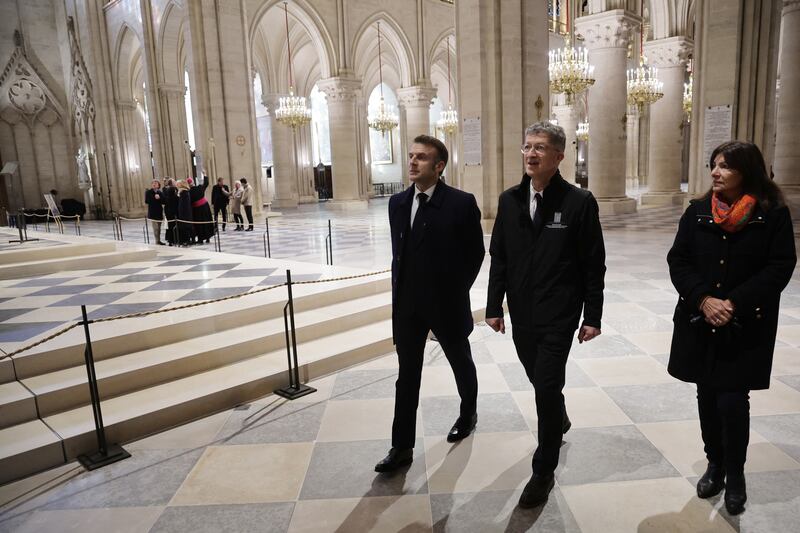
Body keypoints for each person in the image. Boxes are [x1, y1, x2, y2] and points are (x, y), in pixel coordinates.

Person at [667, 140, 796, 516]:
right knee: (706, 396)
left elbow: (779, 267)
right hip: (700, 320)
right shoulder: (696, 213)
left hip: (743, 325)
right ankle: (715, 464)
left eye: (724, 166)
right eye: (713, 165)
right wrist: (703, 299)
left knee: (733, 400)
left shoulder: (772, 215)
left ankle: (736, 473)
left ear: (747, 171)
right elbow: (679, 261)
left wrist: (732, 302)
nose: (715, 172)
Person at [485, 122, 606, 508]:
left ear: (559, 157)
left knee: (546, 387)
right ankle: (560, 415)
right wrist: (493, 306)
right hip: (521, 312)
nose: (531, 154)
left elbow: (593, 264)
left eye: (540, 148)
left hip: (559, 313)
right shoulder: (509, 200)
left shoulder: (578, 202)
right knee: (539, 379)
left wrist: (593, 315)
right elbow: (499, 257)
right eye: (527, 147)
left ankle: (543, 471)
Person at [375, 134, 485, 473]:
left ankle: (468, 413)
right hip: (407, 306)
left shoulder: (461, 203)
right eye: (410, 156)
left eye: (421, 157)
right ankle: (401, 446)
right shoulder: (397, 203)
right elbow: (401, 255)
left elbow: (475, 254)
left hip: (446, 303)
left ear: (439, 166)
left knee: (460, 362)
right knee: (406, 376)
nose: (412, 162)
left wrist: (455, 291)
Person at [189, 175, 214, 243]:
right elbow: (206, 183)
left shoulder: (189, 192)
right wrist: (205, 175)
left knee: (199, 224)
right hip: (205, 207)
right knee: (206, 221)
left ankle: (200, 239)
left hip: (197, 210)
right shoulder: (200, 187)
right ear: (193, 182)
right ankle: (207, 237)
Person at [144, 179, 165, 245]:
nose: (154, 184)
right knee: (155, 228)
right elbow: (147, 201)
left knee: (159, 228)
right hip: (153, 212)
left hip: (159, 212)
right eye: (153, 183)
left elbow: (164, 201)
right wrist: (154, 198)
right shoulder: (148, 192)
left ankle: (159, 240)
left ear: (158, 185)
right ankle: (157, 241)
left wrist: (159, 198)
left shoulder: (160, 192)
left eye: (156, 183)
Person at [176, 179, 194, 246]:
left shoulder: (184, 192)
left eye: (178, 184)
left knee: (187, 227)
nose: (176, 185)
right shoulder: (181, 192)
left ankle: (189, 240)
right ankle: (189, 240)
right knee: (185, 227)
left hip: (185, 213)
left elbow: (185, 204)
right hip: (183, 212)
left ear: (181, 184)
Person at [162, 178, 179, 246]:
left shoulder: (169, 190)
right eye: (174, 181)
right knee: (172, 226)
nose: (175, 182)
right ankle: (172, 240)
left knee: (171, 226)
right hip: (171, 211)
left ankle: (171, 240)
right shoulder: (171, 189)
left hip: (169, 211)